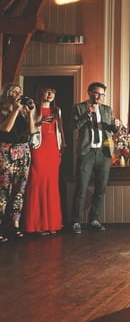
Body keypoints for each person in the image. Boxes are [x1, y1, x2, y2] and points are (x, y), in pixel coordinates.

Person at [71, 82, 120, 234]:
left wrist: (116, 126)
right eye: (96, 93)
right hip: (87, 152)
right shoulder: (78, 107)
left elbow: (111, 130)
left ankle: (94, 219)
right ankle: (76, 221)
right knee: (81, 188)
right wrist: (87, 114)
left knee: (100, 188)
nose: (99, 97)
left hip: (103, 153)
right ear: (89, 92)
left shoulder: (107, 109)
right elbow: (74, 127)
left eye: (102, 94)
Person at [23, 87, 66, 236]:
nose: (50, 95)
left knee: (52, 185)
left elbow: (59, 131)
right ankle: (35, 225)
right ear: (40, 93)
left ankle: (52, 223)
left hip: (53, 150)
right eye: (47, 92)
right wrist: (39, 122)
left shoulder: (57, 111)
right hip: (38, 148)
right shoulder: (32, 109)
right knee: (36, 183)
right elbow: (29, 130)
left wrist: (60, 150)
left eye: (53, 92)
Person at [0, 83, 36, 242]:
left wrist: (30, 114)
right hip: (5, 151)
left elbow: (32, 131)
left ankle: (15, 225)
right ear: (7, 94)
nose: (17, 94)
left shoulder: (23, 112)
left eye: (20, 92)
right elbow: (6, 129)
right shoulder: (2, 110)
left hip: (23, 151)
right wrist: (15, 110)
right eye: (14, 91)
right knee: (3, 191)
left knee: (19, 190)